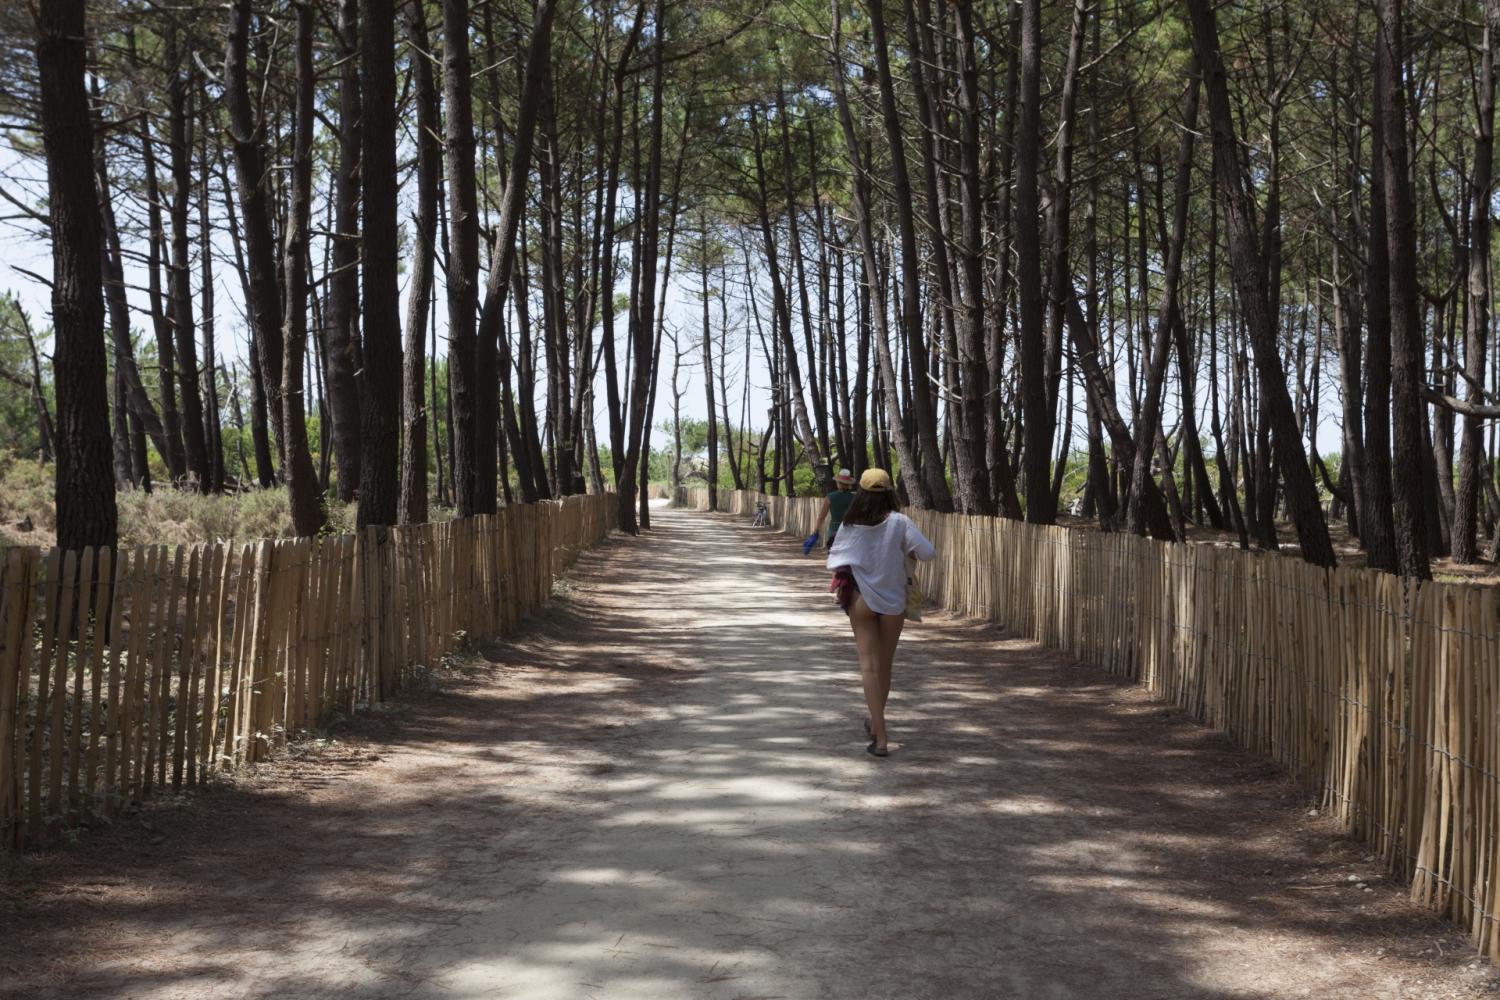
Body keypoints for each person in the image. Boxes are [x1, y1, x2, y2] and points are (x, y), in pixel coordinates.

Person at [825, 468, 936, 758]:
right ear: (890, 492)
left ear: (859, 492)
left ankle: (881, 736)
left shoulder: (850, 524)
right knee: (885, 664)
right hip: (893, 602)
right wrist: (904, 551)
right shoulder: (900, 522)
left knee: (869, 666)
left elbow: (834, 559)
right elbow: (928, 553)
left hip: (860, 598)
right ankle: (876, 725)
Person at [809, 468, 856, 550]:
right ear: (848, 484)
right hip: (850, 530)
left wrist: (816, 530)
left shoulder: (830, 497)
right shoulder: (854, 498)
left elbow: (821, 516)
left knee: (833, 554)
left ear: (838, 483)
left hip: (834, 530)